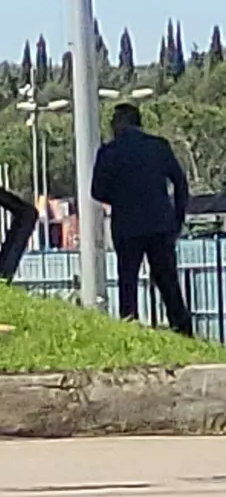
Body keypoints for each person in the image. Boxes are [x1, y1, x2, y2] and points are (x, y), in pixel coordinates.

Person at [91, 102, 194, 335]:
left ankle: (130, 328)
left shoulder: (109, 152)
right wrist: (177, 218)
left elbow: (97, 191)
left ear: (120, 123)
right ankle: (183, 329)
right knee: (168, 280)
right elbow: (180, 183)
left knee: (128, 280)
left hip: (126, 226)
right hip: (160, 224)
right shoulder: (158, 146)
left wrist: (120, 198)